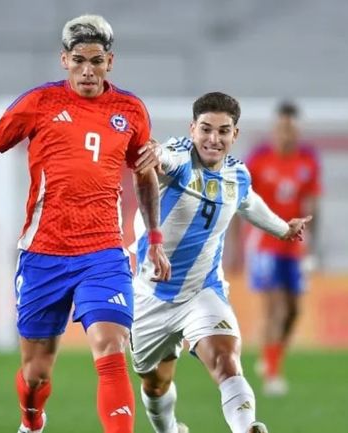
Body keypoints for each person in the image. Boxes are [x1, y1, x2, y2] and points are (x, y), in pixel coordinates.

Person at [0, 15, 171, 433]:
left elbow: (144, 174)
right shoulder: (39, 103)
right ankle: (32, 420)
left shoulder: (131, 110)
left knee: (110, 347)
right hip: (43, 254)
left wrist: (154, 238)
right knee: (36, 374)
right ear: (64, 59)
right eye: (79, 60)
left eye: (97, 61)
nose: (88, 70)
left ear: (110, 62)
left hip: (103, 253)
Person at [131, 92, 311, 433]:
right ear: (193, 129)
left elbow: (250, 203)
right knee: (155, 383)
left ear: (234, 134)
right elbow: (165, 158)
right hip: (151, 294)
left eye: (223, 131)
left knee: (225, 360)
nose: (214, 139)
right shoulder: (179, 158)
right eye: (206, 129)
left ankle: (246, 427)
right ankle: (168, 429)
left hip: (203, 290)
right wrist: (156, 153)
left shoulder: (237, 175)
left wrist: (284, 229)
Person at [243, 100, 320, 396]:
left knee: (293, 311)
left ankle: (271, 356)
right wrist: (234, 245)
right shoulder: (259, 160)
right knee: (276, 307)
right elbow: (241, 199)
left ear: (297, 130)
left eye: (291, 128)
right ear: (275, 129)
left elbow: (312, 205)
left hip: (295, 246)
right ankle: (272, 374)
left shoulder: (307, 162)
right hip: (265, 243)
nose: (286, 134)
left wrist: (312, 247)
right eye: (281, 128)